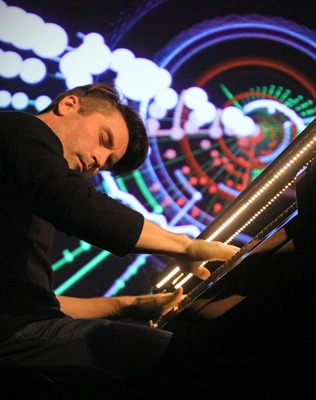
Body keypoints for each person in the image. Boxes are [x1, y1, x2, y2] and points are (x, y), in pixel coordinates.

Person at [0, 83, 240, 389]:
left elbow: (34, 304)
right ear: (68, 104)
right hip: (11, 337)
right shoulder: (20, 129)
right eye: (103, 139)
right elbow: (77, 205)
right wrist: (185, 246)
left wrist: (128, 306)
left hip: (17, 333)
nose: (99, 160)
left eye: (108, 162)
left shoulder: (22, 192)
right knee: (192, 359)